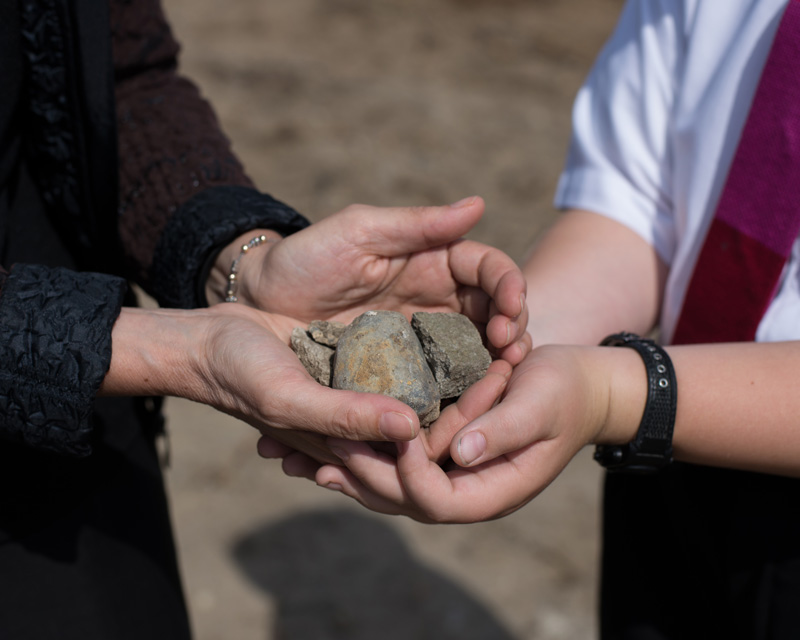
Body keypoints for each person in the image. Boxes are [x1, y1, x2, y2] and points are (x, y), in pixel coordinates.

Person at [0, 1, 530, 638]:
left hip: (77, 412)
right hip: (79, 355)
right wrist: (164, 349)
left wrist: (241, 262)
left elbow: (115, 78)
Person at [271, 1, 800, 638]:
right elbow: (637, 202)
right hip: (667, 445)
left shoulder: (618, 391)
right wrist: (517, 344)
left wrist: (614, 391)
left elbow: (611, 389)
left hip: (654, 407)